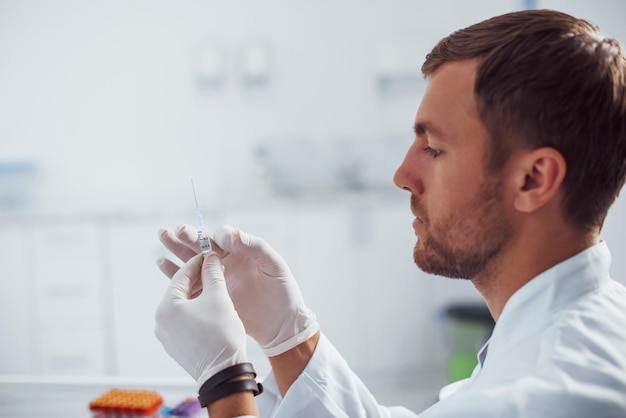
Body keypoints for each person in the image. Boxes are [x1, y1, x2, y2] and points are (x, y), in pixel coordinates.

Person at [154, 9, 626, 418]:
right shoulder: (580, 329)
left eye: (434, 149)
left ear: (533, 179)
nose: (402, 174)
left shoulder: (539, 397)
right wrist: (288, 335)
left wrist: (225, 378)